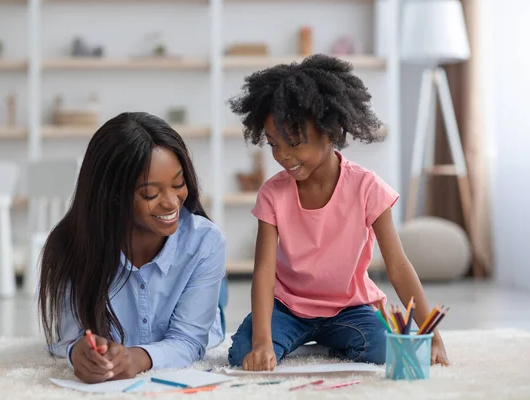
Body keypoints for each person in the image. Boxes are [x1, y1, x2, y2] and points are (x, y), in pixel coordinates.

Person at [226, 54, 450, 371]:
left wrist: (432, 335)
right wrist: (262, 343)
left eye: (294, 142)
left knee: (388, 352)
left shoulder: (368, 188)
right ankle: (301, 341)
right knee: (242, 354)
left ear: (331, 131)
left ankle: (328, 341)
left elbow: (398, 266)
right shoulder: (273, 193)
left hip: (351, 307)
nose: (283, 155)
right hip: (287, 307)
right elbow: (263, 272)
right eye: (274, 143)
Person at [38, 111, 228, 384]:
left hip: (200, 279)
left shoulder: (205, 243)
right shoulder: (70, 246)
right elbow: (69, 336)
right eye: (151, 194)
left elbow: (188, 341)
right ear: (113, 195)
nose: (172, 202)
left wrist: (137, 358)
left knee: (213, 305)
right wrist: (76, 351)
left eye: (179, 184)